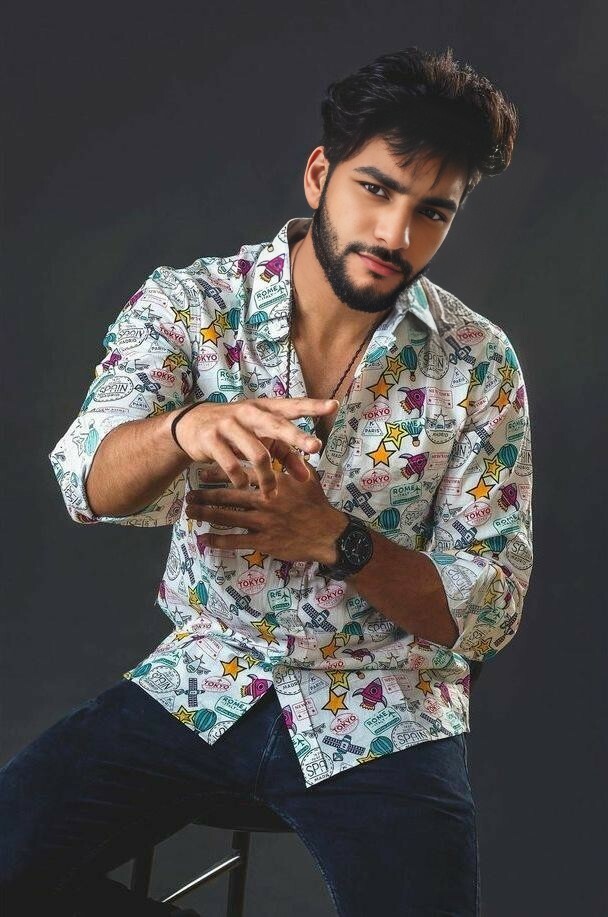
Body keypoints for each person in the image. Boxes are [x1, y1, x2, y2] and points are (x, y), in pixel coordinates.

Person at [0, 46, 534, 916]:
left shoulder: (478, 363)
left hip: (387, 707)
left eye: (432, 211)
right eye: (376, 189)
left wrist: (337, 539)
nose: (396, 235)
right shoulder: (192, 304)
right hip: (207, 677)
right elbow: (85, 481)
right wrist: (184, 428)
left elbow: (490, 606)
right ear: (320, 174)